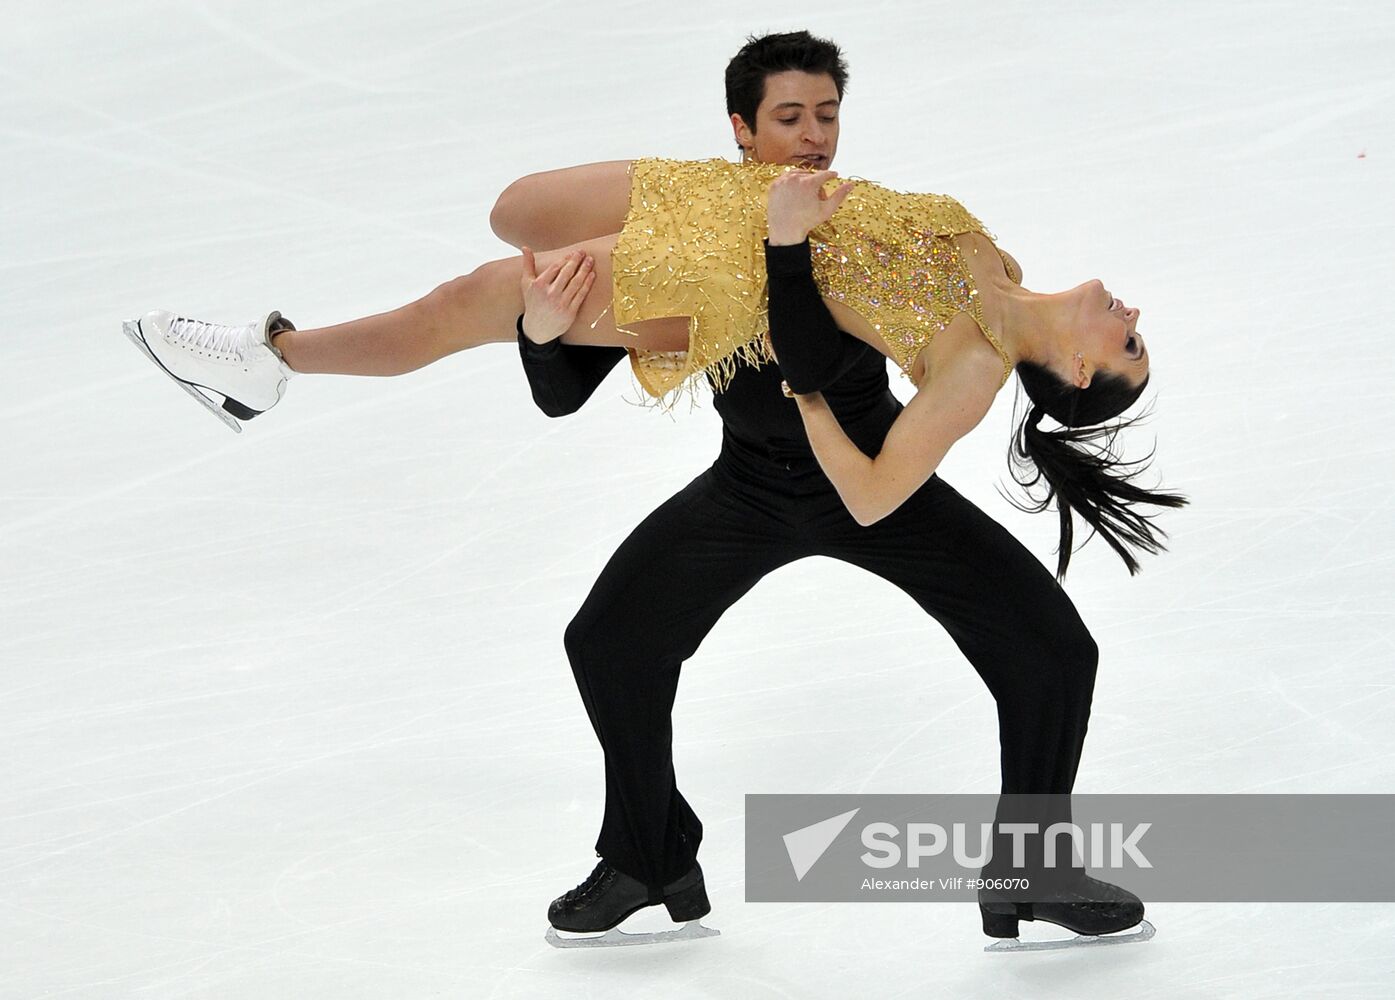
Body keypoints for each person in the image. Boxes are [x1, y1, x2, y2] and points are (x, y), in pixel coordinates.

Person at [123, 31, 1184, 947]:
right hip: (751, 474)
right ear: (747, 123)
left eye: (1127, 343)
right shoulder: (987, 252)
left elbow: (831, 382)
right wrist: (596, 300)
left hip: (825, 426)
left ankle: (274, 359)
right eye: (796, 114)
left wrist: (780, 278)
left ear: (1080, 374)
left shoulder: (976, 359)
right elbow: (560, 385)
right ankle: (650, 857)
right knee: (607, 630)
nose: (1130, 310)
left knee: (1054, 654)